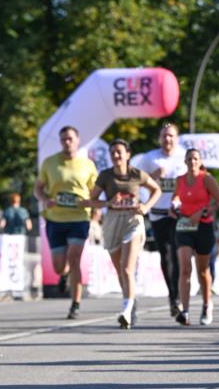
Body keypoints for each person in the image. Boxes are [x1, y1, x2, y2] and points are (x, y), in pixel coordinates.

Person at [83, 139, 161, 329]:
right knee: (120, 270)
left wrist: (146, 206)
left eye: (119, 152)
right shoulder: (105, 176)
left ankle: (125, 310)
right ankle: (130, 301)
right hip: (112, 222)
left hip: (133, 221)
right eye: (113, 153)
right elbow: (88, 202)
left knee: (127, 268)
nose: (116, 156)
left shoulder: (137, 174)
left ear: (127, 154)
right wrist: (107, 203)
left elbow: (156, 190)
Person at [35, 126, 97, 319]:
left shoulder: (87, 165)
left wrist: (95, 212)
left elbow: (95, 192)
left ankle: (75, 304)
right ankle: (64, 275)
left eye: (70, 139)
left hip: (79, 218)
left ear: (77, 140)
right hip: (55, 218)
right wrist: (45, 200)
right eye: (63, 139)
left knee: (75, 257)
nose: (67, 142)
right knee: (59, 266)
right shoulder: (50, 163)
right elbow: (38, 189)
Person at [171, 147, 219, 326]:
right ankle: (185, 311)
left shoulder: (207, 179)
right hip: (185, 224)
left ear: (200, 162)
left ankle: (206, 304)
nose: (192, 162)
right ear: (185, 162)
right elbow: (175, 199)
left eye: (195, 159)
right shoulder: (179, 180)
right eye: (189, 159)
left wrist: (204, 211)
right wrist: (174, 206)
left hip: (204, 225)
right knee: (185, 266)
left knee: (203, 270)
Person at [138, 123, 186, 318]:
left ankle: (180, 295)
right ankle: (173, 296)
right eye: (164, 136)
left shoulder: (184, 157)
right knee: (166, 256)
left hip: (179, 213)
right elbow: (137, 182)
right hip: (158, 213)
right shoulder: (150, 158)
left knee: (179, 254)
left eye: (171, 136)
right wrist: (153, 176)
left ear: (177, 138)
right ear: (159, 138)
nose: (168, 139)